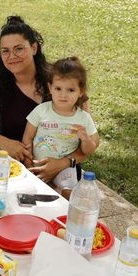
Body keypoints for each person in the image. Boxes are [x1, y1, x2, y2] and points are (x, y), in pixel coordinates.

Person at [0, 16, 87, 182]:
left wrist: (63, 163)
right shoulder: (1, 83)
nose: (12, 56)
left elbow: (87, 142)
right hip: (18, 168)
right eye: (5, 50)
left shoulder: (62, 83)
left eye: (19, 49)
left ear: (34, 48)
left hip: (63, 172)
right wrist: (4, 142)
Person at [21, 57, 99, 198]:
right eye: (58, 88)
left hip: (65, 167)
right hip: (37, 163)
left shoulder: (83, 118)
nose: (63, 95)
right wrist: (28, 161)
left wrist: (85, 139)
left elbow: (89, 150)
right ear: (50, 88)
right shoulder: (41, 110)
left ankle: (66, 197)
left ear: (81, 91)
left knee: (68, 188)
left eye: (70, 90)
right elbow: (28, 136)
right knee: (30, 191)